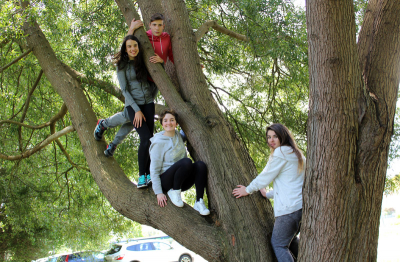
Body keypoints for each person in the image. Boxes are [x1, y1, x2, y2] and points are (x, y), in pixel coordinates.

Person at [232, 123, 305, 262]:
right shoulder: (296, 153)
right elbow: (289, 184)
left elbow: (265, 177)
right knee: (291, 241)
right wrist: (268, 194)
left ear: (283, 136)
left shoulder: (281, 152)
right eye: (269, 137)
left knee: (279, 244)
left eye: (275, 136)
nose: (271, 140)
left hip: (289, 210)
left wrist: (247, 190)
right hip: (300, 208)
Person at [94, 35, 157, 189]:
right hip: (132, 104)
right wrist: (137, 110)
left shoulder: (143, 61)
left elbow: (154, 81)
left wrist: (150, 98)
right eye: (129, 46)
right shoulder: (122, 64)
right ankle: (104, 124)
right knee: (134, 124)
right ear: (125, 49)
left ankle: (146, 173)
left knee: (143, 135)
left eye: (135, 45)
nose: (133, 49)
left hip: (148, 103)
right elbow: (124, 90)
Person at [149, 109, 210, 216]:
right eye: (165, 120)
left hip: (182, 180)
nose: (169, 123)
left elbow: (185, 131)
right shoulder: (158, 143)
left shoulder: (178, 136)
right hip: (165, 181)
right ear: (162, 123)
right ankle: (174, 191)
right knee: (187, 162)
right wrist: (158, 192)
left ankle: (199, 201)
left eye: (172, 120)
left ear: (176, 123)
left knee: (200, 165)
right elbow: (154, 169)